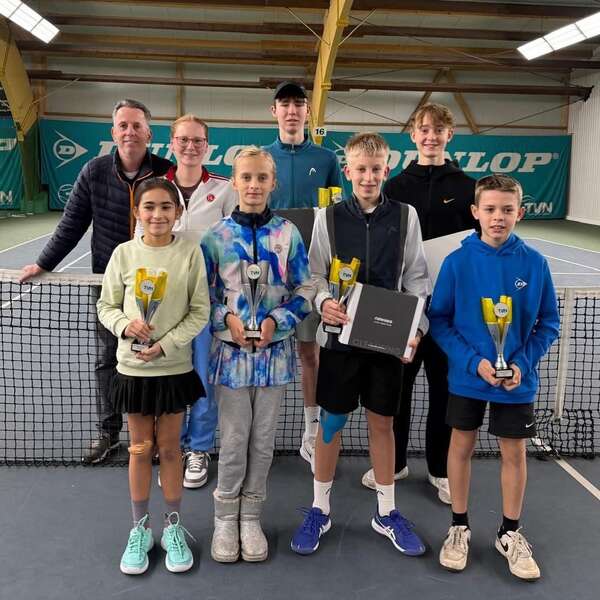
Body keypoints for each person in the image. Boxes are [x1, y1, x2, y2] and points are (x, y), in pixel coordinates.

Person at [290, 133, 430, 557]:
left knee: (382, 425)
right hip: (340, 342)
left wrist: (416, 328)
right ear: (348, 172)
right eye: (360, 169)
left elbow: (417, 278)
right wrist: (323, 302)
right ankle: (319, 509)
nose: (368, 177)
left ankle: (386, 512)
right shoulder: (328, 218)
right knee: (331, 424)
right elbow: (314, 274)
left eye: (376, 169)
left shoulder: (406, 216)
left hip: (387, 343)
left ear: (386, 170)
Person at [20, 99, 172, 464]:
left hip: (158, 284)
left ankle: (152, 432)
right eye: (123, 125)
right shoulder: (94, 171)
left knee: (154, 358)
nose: (130, 132)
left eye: (137, 125)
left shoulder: (165, 172)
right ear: (113, 132)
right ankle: (109, 431)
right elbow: (72, 224)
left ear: (149, 133)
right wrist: (43, 264)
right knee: (109, 358)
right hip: (108, 283)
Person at [429, 174, 559, 579]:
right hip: (468, 378)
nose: (498, 217)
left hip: (516, 381)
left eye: (506, 209)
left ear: (520, 213)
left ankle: (510, 533)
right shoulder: (457, 262)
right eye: (489, 209)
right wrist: (474, 363)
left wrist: (522, 364)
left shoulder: (535, 264)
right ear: (475, 212)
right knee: (460, 446)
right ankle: (459, 527)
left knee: (513, 453)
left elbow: (548, 323)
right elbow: (439, 320)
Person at [201, 146, 312, 563]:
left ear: (272, 183)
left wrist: (276, 321)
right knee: (233, 442)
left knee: (263, 443)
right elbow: (203, 296)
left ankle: (251, 517)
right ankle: (224, 518)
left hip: (274, 358)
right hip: (230, 360)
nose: (253, 185)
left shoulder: (288, 234)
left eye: (261, 178)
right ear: (234, 182)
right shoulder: (215, 236)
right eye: (246, 177)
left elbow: (305, 288)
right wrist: (227, 319)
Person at [362, 103, 477, 504]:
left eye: (438, 129)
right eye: (423, 129)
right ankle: (393, 464)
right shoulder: (393, 188)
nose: (431, 136)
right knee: (396, 389)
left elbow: (477, 247)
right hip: (401, 309)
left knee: (445, 390)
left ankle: (440, 469)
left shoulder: (468, 188)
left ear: (449, 135)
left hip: (450, 312)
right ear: (413, 135)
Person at [97, 178, 210, 574]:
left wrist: (165, 345)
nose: (158, 214)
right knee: (140, 448)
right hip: (133, 371)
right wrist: (126, 325)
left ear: (178, 213)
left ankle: (173, 527)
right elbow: (106, 306)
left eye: (166, 206)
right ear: (137, 212)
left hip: (173, 369)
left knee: (172, 449)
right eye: (149, 207)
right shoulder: (123, 254)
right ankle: (140, 529)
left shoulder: (190, 253)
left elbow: (200, 311)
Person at [264, 81, 343, 468]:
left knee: (309, 353)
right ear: (274, 112)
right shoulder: (262, 158)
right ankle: (261, 433)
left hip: (311, 276)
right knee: (265, 349)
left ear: (308, 112)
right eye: (285, 104)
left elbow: (337, 215)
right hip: (267, 275)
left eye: (298, 104)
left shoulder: (326, 159)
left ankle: (311, 431)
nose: (292, 110)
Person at [163, 114, 236, 489]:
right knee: (171, 375)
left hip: (209, 304)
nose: (190, 146)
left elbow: (235, 245)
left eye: (197, 141)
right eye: (183, 139)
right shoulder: (155, 187)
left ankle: (200, 448)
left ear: (207, 146)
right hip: (166, 307)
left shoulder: (225, 189)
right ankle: (172, 446)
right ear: (172, 143)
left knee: (205, 376)